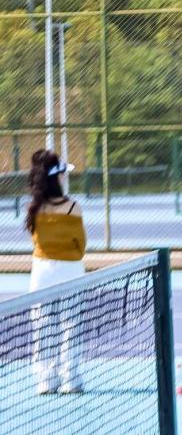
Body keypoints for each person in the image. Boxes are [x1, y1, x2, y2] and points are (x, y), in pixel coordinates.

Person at [26, 149, 87, 395]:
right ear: (57, 177)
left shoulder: (34, 209)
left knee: (43, 325)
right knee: (71, 325)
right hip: (71, 269)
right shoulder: (73, 207)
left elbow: (37, 241)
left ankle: (46, 380)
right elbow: (81, 245)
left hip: (42, 270)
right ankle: (70, 379)